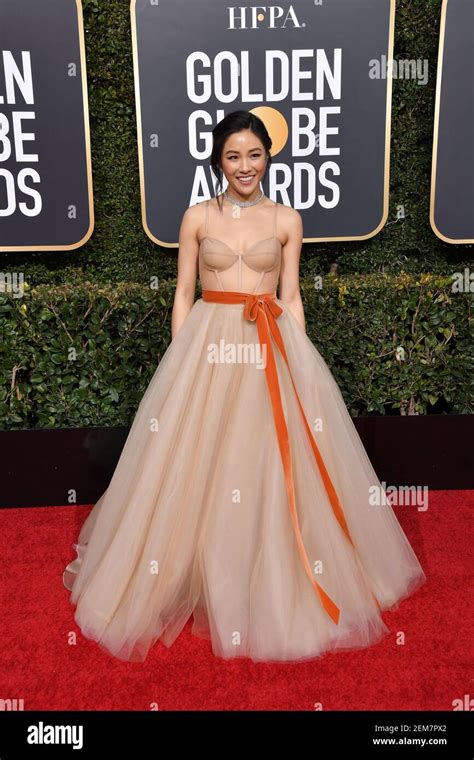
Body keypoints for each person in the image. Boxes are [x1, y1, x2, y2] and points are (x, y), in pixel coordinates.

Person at [63, 110, 426, 663]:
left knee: (266, 463)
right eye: (233, 156)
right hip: (208, 347)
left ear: (268, 157)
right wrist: (183, 358)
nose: (244, 166)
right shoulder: (196, 218)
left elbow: (293, 296)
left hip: (269, 347)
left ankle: (276, 580)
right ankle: (190, 572)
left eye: (254, 155)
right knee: (196, 462)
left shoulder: (286, 220)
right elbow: (184, 294)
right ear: (218, 159)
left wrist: (301, 365)